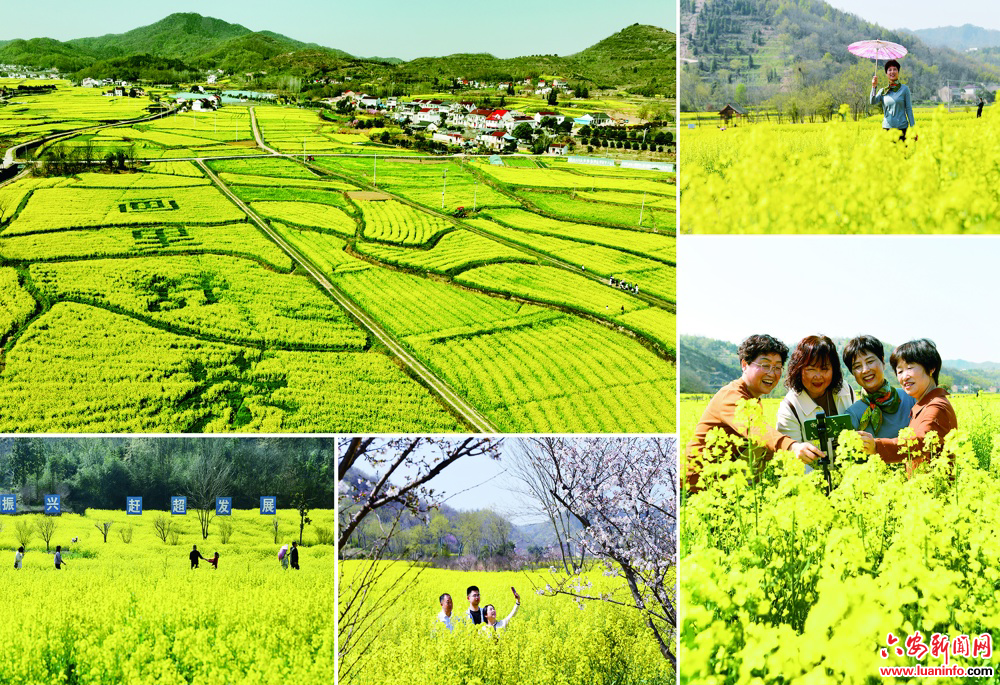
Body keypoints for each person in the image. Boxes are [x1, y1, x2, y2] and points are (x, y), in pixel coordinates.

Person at [685, 334, 825, 492]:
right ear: (744, 365)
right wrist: (791, 447)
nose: (772, 373)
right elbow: (755, 428)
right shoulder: (731, 396)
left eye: (777, 367)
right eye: (765, 365)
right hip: (693, 487)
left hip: (719, 488)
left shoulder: (753, 400)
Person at [859, 339, 957, 475]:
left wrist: (877, 446)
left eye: (910, 368)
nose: (904, 377)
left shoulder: (936, 406)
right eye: (900, 371)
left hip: (934, 486)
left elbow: (920, 441)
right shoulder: (924, 405)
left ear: (931, 368)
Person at [776, 336, 857, 468]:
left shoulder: (845, 390)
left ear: (834, 369)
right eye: (811, 369)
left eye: (824, 369)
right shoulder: (790, 408)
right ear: (798, 369)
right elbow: (793, 459)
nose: (818, 376)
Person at [842, 335, 915, 439]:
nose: (865, 370)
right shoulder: (853, 415)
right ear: (852, 373)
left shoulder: (910, 397)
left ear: (883, 361)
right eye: (857, 366)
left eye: (870, 361)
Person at [870, 59, 915, 141]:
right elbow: (872, 101)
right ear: (886, 73)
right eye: (889, 70)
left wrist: (913, 128)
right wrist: (874, 86)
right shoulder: (883, 91)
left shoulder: (904, 89)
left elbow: (909, 109)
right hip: (887, 129)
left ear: (898, 72)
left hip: (902, 129)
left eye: (895, 69)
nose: (892, 72)